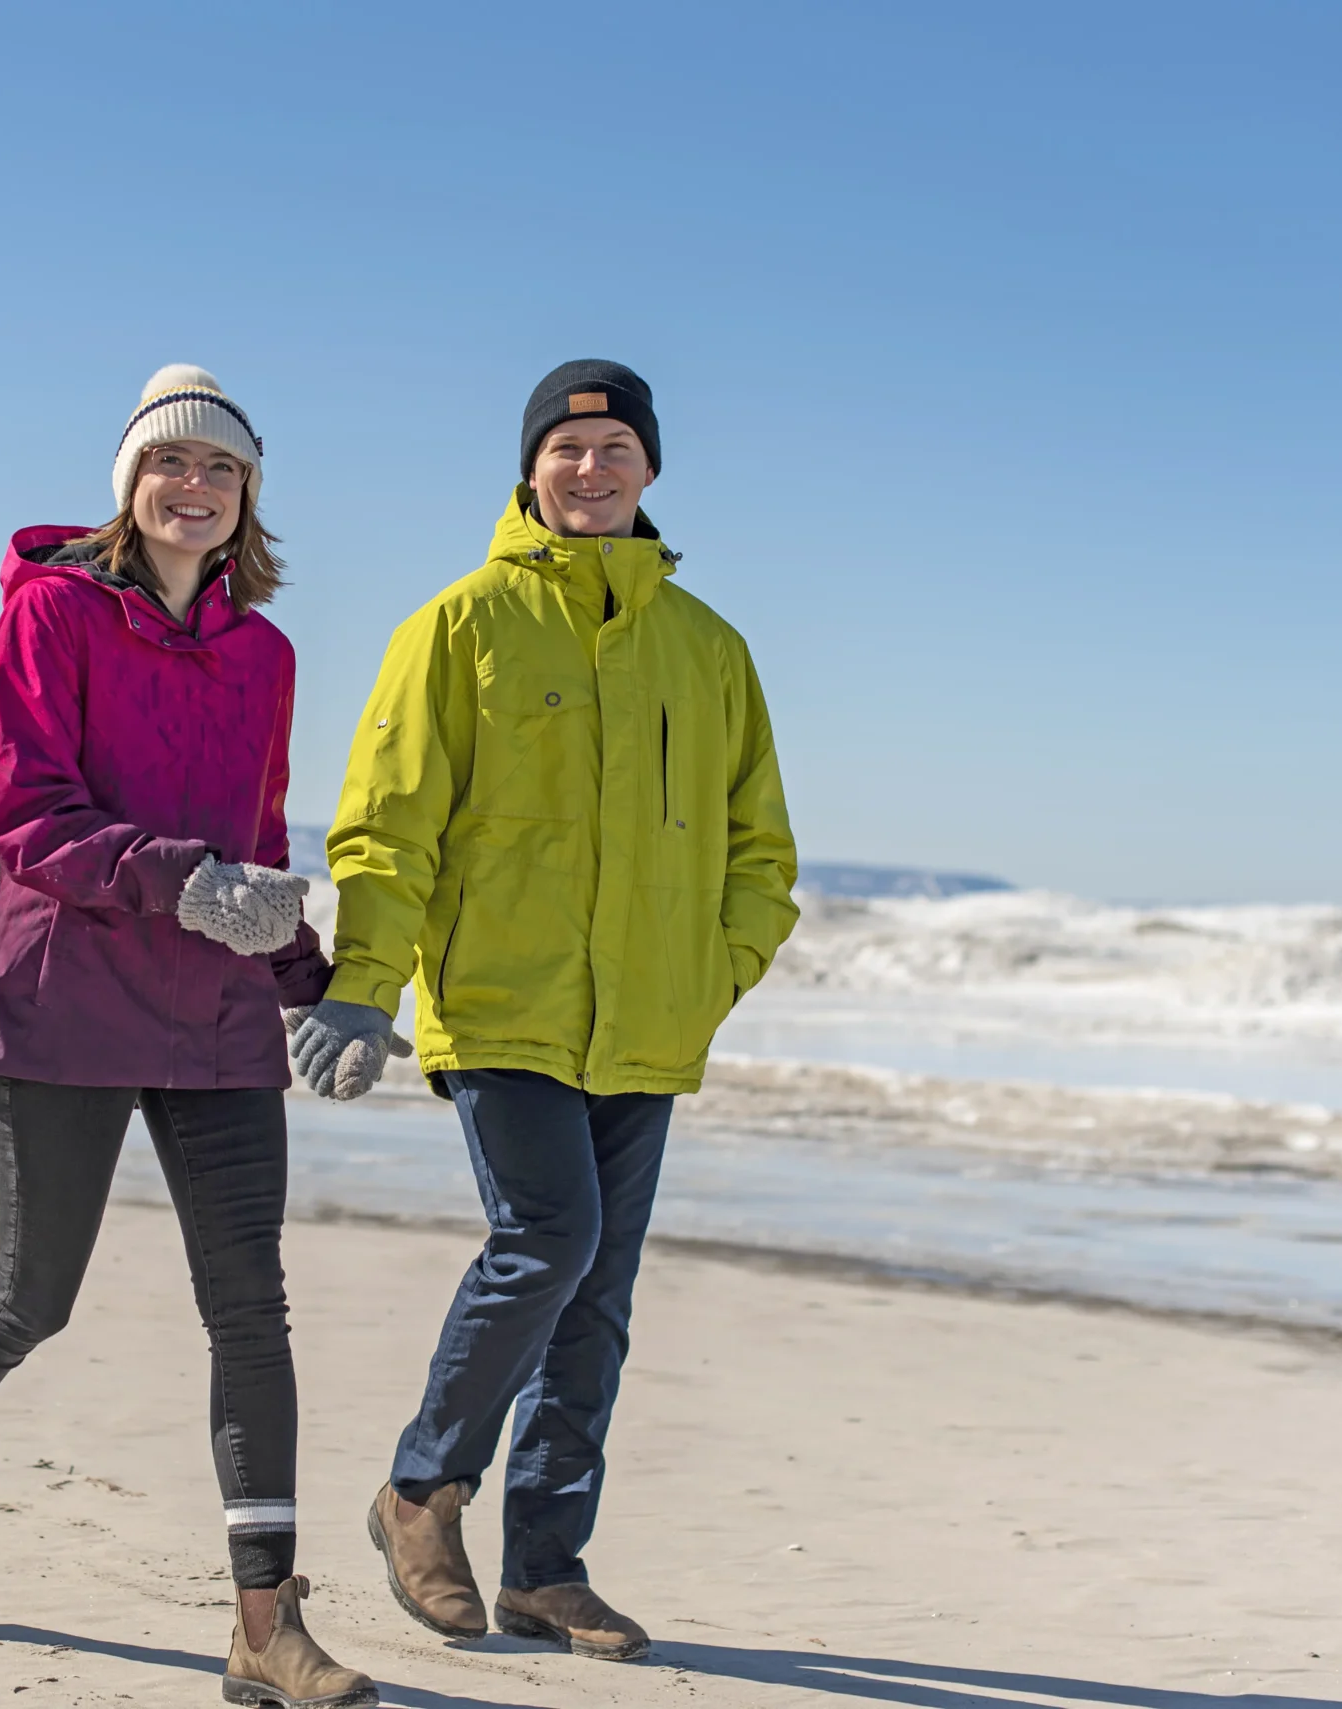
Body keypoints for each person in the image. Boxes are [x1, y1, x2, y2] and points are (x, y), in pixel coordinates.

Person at [0, 366, 376, 1709]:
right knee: (35, 1297)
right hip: (64, 998)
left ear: (248, 499)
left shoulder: (265, 653)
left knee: (252, 1307)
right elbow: (27, 810)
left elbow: (259, 836)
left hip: (212, 1019)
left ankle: (266, 1624)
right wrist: (177, 881)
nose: (193, 489)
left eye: (221, 472)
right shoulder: (55, 617)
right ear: (128, 489)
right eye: (169, 467)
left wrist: (314, 978)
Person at [291, 359, 798, 1663]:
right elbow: (387, 827)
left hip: (647, 1023)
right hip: (506, 1009)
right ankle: (420, 1490)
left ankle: (546, 1570)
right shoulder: (458, 627)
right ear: (531, 470)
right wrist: (364, 987)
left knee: (599, 1292)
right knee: (549, 1240)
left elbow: (761, 850)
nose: (592, 467)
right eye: (568, 447)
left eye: (617, 444)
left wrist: (711, 971)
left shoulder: (710, 649)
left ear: (650, 470)